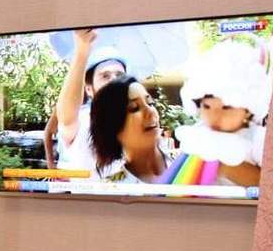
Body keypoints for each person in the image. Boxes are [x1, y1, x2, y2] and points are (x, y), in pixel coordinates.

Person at [173, 41, 268, 185]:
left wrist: (221, 163)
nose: (214, 116)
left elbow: (266, 185)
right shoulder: (198, 133)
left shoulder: (259, 139)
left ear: (248, 111)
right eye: (207, 107)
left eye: (226, 108)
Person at [47, 28, 128, 170]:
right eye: (105, 76)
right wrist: (82, 51)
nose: (114, 81)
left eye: (120, 75)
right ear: (89, 89)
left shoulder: (138, 122)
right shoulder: (82, 120)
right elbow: (66, 118)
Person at [89, 77, 170, 182]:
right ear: (113, 129)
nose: (150, 112)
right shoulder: (112, 188)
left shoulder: (187, 161)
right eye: (134, 108)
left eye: (150, 103)